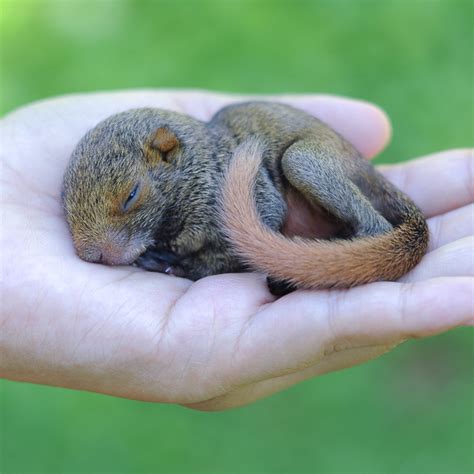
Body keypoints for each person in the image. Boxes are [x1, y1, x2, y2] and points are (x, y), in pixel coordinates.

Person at [0, 90, 472, 411]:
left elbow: (263, 206)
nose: (96, 248)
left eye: (128, 200)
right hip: (301, 224)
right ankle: (324, 254)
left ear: (166, 153)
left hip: (319, 185)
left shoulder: (210, 164)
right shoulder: (165, 191)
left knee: (303, 162)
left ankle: (365, 233)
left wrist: (198, 264)